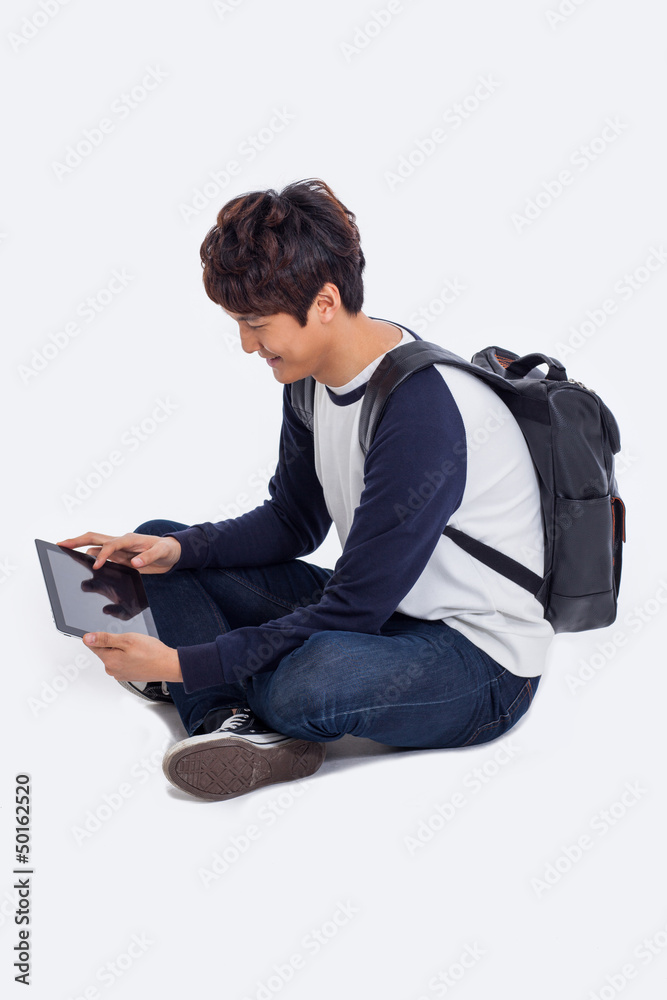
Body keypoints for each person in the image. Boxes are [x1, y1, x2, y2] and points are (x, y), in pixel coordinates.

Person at [57, 177, 554, 802]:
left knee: (306, 683)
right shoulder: (310, 377)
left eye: (256, 324)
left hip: (479, 660)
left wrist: (182, 662)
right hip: (385, 615)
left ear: (324, 302)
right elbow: (293, 521)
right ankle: (225, 721)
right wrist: (182, 550)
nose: (247, 344)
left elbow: (351, 611)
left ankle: (203, 687)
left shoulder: (422, 410)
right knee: (160, 548)